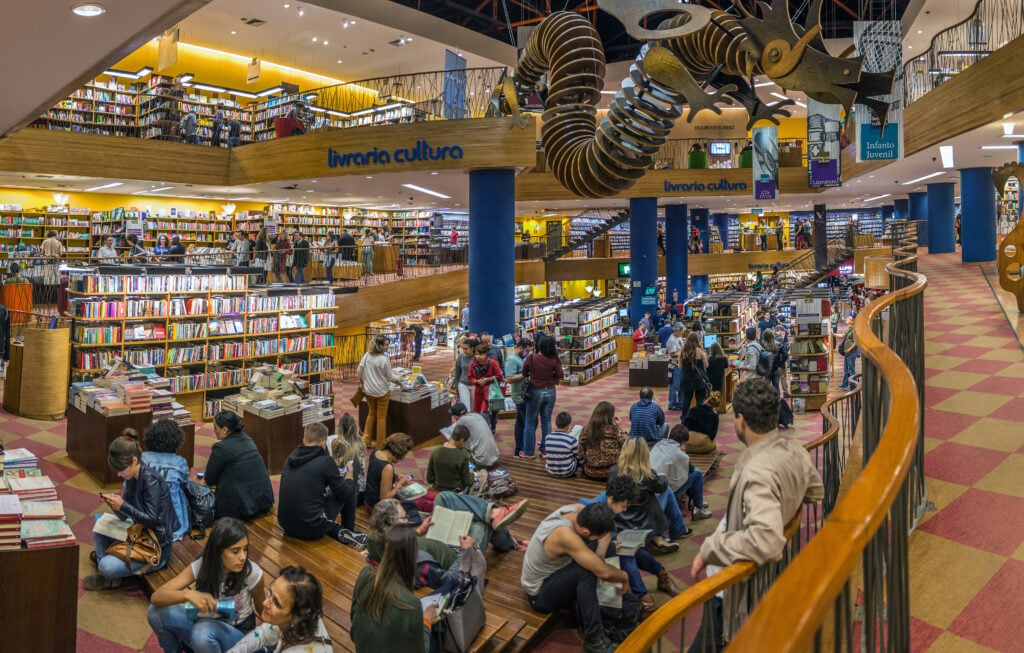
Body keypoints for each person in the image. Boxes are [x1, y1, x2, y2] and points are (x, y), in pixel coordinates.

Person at [690, 379, 824, 646]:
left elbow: (766, 540)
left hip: (732, 585)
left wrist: (711, 547)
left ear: (740, 421)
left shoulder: (756, 472)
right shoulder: (795, 452)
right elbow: (816, 491)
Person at [521, 502, 635, 653]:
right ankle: (594, 639)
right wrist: (624, 577)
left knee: (609, 548)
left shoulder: (579, 510)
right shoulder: (564, 534)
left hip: (558, 572)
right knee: (586, 571)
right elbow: (604, 573)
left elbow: (605, 536)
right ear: (586, 532)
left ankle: (610, 605)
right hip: (539, 594)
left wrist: (600, 554)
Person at [147, 518, 264, 653]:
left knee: (202, 632)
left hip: (237, 634)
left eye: (245, 549)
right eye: (235, 551)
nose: (243, 557)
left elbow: (262, 611)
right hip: (207, 619)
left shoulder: (251, 572)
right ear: (219, 551)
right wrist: (187, 594)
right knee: (155, 612)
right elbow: (157, 596)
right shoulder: (203, 565)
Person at [85, 433, 178, 590]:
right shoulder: (131, 479)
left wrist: (123, 506)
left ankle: (108, 572)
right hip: (137, 530)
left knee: (106, 566)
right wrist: (114, 505)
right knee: (99, 524)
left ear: (134, 461)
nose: (118, 474)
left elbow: (153, 520)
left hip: (155, 544)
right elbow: (126, 516)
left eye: (121, 470)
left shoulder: (151, 481)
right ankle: (111, 565)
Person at [351, 526, 440, 651]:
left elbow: (354, 631)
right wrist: (426, 622)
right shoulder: (410, 604)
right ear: (413, 557)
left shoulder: (365, 575)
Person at [279, 423, 365, 548]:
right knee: (350, 488)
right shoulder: (325, 462)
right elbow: (345, 493)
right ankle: (348, 529)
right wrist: (349, 476)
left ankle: (340, 531)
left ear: (304, 440)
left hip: (286, 525)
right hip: (312, 528)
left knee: (315, 506)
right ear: (324, 444)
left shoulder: (290, 458)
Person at [227, 566, 332, 652]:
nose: (265, 602)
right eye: (270, 592)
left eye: (277, 604)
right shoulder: (301, 615)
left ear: (296, 617)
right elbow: (263, 634)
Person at [607, 437, 683, 556]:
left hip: (621, 523)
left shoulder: (614, 471)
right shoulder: (647, 475)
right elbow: (661, 487)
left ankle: (661, 536)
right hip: (643, 524)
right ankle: (677, 530)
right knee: (666, 491)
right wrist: (662, 477)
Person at [204, 411, 275, 520]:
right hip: (263, 500)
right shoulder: (248, 439)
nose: (214, 430)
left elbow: (209, 479)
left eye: (215, 427)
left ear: (225, 430)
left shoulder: (221, 448)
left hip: (241, 506)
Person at [138, 421, 190, 542]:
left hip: (143, 515)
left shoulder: (141, 457)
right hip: (171, 524)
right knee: (180, 490)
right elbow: (185, 483)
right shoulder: (179, 462)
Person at [651, 425, 713, 522]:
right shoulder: (678, 453)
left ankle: (696, 500)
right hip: (662, 490)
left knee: (681, 473)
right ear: (683, 442)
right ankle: (698, 508)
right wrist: (682, 451)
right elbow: (691, 469)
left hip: (651, 488)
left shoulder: (658, 445)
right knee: (697, 474)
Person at [523, 334, 564, 458]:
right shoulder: (554, 359)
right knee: (546, 421)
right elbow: (561, 374)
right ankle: (545, 450)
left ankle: (529, 452)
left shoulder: (531, 358)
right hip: (550, 391)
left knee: (530, 422)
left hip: (535, 391)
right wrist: (552, 377)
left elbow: (524, 373)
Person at [365, 433, 425, 511]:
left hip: (369, 501)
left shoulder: (376, 452)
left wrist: (395, 476)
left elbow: (377, 475)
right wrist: (399, 484)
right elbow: (384, 499)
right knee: (422, 502)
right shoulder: (387, 467)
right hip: (378, 509)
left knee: (424, 497)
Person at [358, 334, 398, 448]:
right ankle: (380, 444)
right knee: (381, 418)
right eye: (386, 345)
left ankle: (366, 440)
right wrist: (400, 383)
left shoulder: (367, 356)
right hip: (382, 392)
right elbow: (390, 377)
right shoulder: (384, 360)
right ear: (379, 346)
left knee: (371, 414)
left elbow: (360, 370)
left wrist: (361, 382)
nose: (387, 347)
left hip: (369, 391)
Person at [579, 401, 627, 479]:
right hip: (612, 472)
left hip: (590, 472)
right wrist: (619, 428)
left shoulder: (586, 430)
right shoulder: (616, 431)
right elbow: (628, 445)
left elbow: (581, 453)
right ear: (610, 416)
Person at [504, 337, 533, 457]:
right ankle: (522, 448)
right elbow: (509, 379)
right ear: (520, 348)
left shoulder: (521, 357)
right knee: (526, 422)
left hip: (524, 394)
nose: (527, 353)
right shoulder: (512, 360)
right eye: (526, 351)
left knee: (521, 423)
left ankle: (519, 449)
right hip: (519, 396)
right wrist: (525, 374)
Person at [448, 402, 499, 468]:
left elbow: (455, 441)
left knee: (456, 449)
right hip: (494, 456)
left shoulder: (461, 421)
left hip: (481, 461)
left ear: (455, 416)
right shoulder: (477, 415)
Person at [426, 423, 472, 492]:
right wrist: (471, 473)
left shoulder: (435, 451)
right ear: (462, 440)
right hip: (455, 492)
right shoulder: (463, 456)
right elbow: (467, 482)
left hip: (437, 489)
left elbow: (429, 478)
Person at [468, 342, 503, 431]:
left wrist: (487, 379)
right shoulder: (472, 364)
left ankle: (493, 426)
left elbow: (499, 376)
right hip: (479, 392)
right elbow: (470, 377)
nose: (478, 357)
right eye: (476, 354)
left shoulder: (492, 363)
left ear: (485, 354)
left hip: (491, 391)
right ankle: (486, 432)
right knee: (481, 413)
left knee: (491, 412)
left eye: (480, 354)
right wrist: (476, 381)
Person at [678, 331, 710, 411]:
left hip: (686, 378)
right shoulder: (700, 351)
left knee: (686, 400)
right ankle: (699, 418)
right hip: (698, 379)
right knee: (700, 400)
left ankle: (684, 419)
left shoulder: (682, 351)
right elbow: (706, 365)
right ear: (697, 340)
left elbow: (679, 365)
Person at [545, 411, 583, 478]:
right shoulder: (571, 439)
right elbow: (579, 456)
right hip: (567, 472)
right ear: (568, 425)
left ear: (556, 423)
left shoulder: (548, 437)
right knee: (575, 455)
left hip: (551, 471)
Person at [452, 338, 477, 410]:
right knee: (466, 408)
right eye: (463, 349)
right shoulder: (461, 357)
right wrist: (457, 386)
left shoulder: (477, 357)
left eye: (466, 349)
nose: (464, 351)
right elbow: (458, 372)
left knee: (474, 409)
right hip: (463, 384)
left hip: (474, 385)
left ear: (472, 348)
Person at [836, 314, 859, 390]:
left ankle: (853, 386)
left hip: (851, 352)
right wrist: (833, 334)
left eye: (848, 319)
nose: (847, 319)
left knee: (851, 369)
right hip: (847, 352)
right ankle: (845, 384)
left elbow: (856, 342)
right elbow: (842, 335)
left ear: (852, 322)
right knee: (846, 369)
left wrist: (849, 349)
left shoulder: (854, 330)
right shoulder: (847, 328)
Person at [666, 324, 686, 410]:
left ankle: (680, 404)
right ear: (676, 330)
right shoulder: (671, 340)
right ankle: (672, 404)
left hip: (680, 364)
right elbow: (673, 354)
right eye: (681, 331)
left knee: (682, 385)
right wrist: (684, 354)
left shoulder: (678, 337)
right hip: (675, 365)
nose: (682, 333)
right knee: (675, 386)